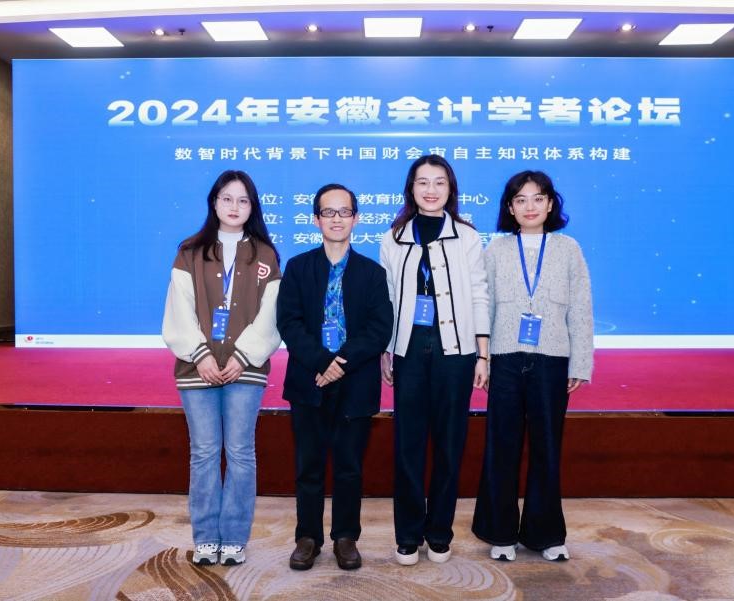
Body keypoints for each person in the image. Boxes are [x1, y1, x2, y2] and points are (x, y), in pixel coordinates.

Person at [471, 170, 593, 563]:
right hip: (505, 357)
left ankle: (546, 533)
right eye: (520, 200)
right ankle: (500, 532)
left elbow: (581, 308)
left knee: (546, 447)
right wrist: (482, 358)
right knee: (501, 446)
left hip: (552, 358)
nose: (529, 207)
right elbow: (483, 307)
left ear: (550, 204)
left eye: (538, 198)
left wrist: (580, 362)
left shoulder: (568, 248)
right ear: (509, 207)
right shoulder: (496, 249)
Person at [162, 170, 282, 567]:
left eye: (243, 200)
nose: (234, 206)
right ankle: (205, 538)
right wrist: (200, 355)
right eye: (227, 198)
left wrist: (242, 357)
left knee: (241, 452)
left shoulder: (265, 254)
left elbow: (271, 315)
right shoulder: (190, 251)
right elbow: (178, 309)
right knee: (204, 453)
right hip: (197, 368)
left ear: (253, 207)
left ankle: (233, 537)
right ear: (214, 203)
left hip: (244, 370)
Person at [379, 155, 489, 566]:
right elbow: (388, 299)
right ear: (411, 188)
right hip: (408, 350)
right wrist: (386, 350)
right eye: (422, 182)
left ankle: (440, 532)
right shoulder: (393, 237)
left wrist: (482, 353)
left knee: (449, 443)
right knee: (407, 445)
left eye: (439, 182)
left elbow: (479, 293)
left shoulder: (467, 236)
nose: (430, 190)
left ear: (450, 189)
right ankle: (408, 534)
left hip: (455, 351)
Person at [276, 183, 393, 571]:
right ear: (316, 220)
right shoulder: (298, 268)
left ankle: (345, 537)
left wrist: (339, 363)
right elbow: (289, 323)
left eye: (344, 212)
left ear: (356, 219)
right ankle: (307, 537)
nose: (337, 219)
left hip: (355, 382)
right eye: (329, 212)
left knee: (349, 467)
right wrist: (321, 363)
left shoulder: (372, 273)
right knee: (308, 466)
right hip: (309, 382)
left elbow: (379, 328)